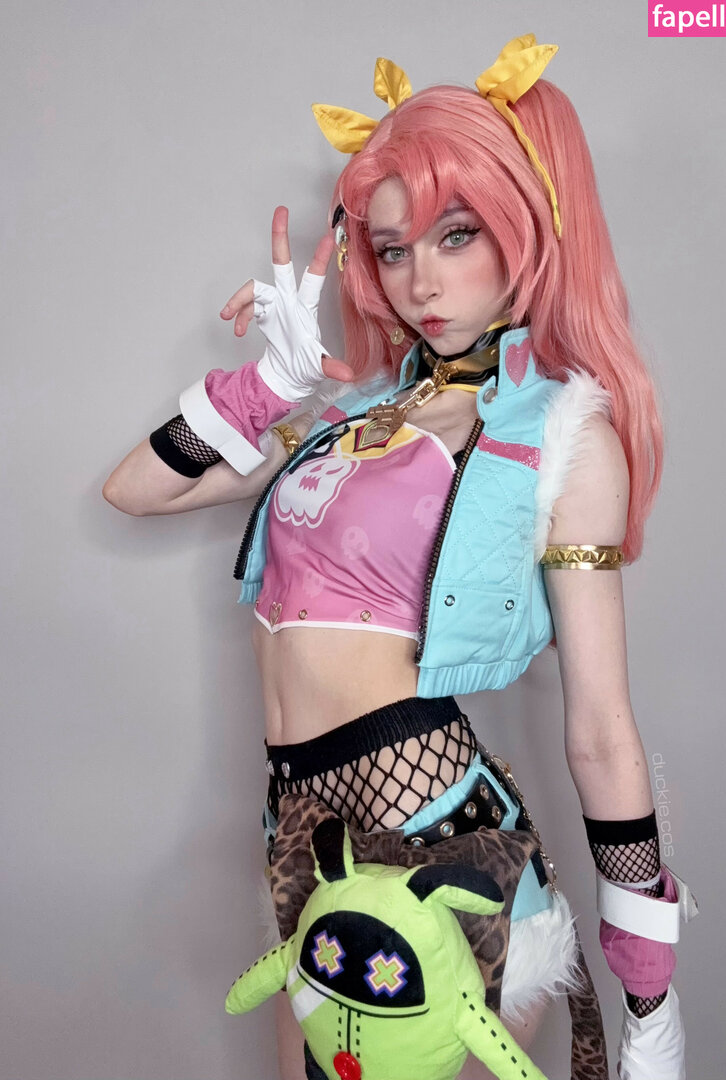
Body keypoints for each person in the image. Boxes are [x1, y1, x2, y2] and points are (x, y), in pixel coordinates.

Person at [103, 35, 694, 1080]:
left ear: (521, 230)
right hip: (305, 835)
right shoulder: (355, 416)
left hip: (434, 845)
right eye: (391, 248)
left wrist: (649, 990)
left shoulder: (557, 433)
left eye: (456, 235)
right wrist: (267, 389)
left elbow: (603, 732)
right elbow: (138, 489)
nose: (422, 280)